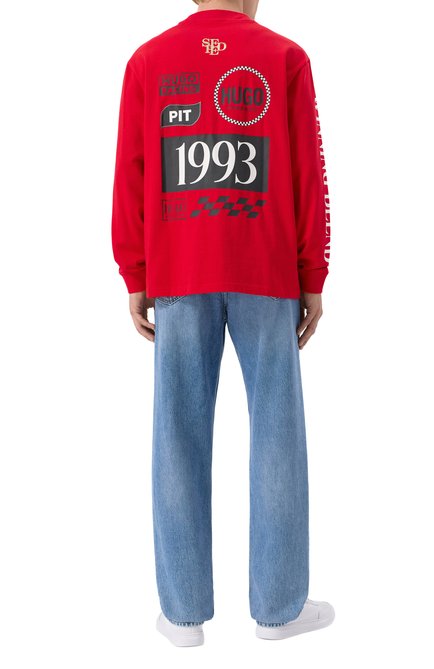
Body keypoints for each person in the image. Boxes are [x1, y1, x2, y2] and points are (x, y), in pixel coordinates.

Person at [111, 0, 334, 647]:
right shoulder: (285, 58)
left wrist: (136, 271)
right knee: (277, 431)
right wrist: (313, 273)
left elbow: (132, 173)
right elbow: (308, 175)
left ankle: (184, 615)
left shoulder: (149, 62)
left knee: (177, 432)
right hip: (267, 267)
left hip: (179, 268)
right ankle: (279, 609)